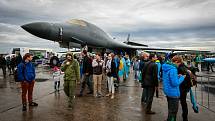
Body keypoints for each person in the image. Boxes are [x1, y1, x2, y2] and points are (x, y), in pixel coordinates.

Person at [162, 55, 185, 121]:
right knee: (173, 111)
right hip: (173, 93)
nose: (179, 65)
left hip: (168, 91)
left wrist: (177, 76)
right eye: (179, 63)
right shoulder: (173, 69)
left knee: (170, 109)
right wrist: (182, 78)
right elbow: (175, 83)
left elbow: (168, 78)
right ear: (177, 61)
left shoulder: (166, 67)